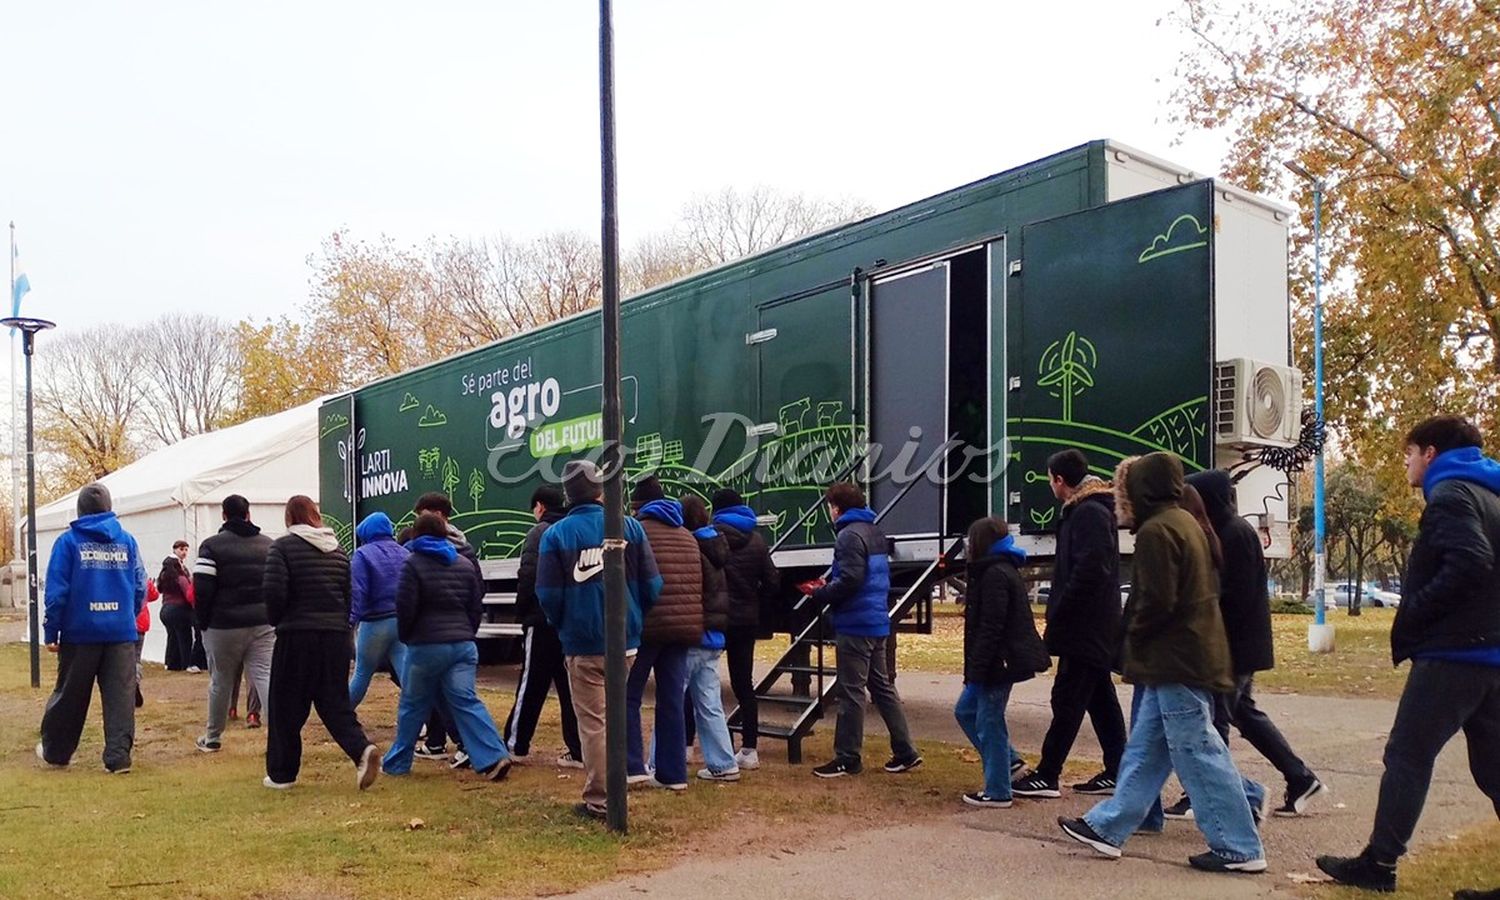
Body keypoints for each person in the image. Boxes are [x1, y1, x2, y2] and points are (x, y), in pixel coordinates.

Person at [1057, 452, 1266, 874]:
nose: (1119, 496)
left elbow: (1156, 602)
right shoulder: (1186, 521)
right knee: (1147, 751)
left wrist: (1130, 640)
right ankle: (1109, 826)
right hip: (1183, 658)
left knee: (1197, 750)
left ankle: (1239, 846)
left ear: (1138, 490)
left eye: (1123, 488)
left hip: (1176, 660)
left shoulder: (1157, 531)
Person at [1318, 415, 1500, 893]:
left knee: (1407, 754)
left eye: (1409, 452)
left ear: (1431, 453)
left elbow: (1471, 561)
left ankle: (1379, 866)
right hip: (1491, 655)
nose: (1405, 461)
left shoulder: (1451, 495)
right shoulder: (1491, 493)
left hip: (1453, 655)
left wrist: (1417, 613)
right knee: (1494, 767)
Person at [1179, 469, 1325, 820]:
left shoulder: (1234, 534)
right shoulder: (1228, 531)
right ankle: (1299, 777)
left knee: (1215, 722)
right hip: (1240, 643)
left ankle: (1214, 793)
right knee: (1244, 714)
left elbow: (1234, 595)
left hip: (1234, 645)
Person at [537, 460, 662, 820]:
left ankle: (600, 799)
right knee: (618, 714)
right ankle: (617, 790)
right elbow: (652, 585)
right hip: (626, 641)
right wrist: (634, 616)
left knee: (593, 723)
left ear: (567, 494)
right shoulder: (631, 528)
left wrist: (565, 625)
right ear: (599, 490)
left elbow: (547, 594)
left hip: (581, 645)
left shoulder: (556, 535)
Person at [1014, 449, 1126, 800]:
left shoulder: (1089, 513)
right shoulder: (1087, 510)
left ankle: (1048, 774)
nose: (1050, 485)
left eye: (1050, 480)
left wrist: (1061, 610)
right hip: (1092, 624)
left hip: (1086, 624)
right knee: (1099, 698)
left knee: (1067, 698)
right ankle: (1118, 768)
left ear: (1059, 480)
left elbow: (1091, 569)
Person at [380, 512, 512, 781]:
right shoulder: (463, 563)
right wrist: (467, 633)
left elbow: (405, 608)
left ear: (416, 534)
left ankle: (397, 763)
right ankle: (494, 756)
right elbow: (476, 606)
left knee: (413, 704)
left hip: (426, 645)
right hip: (462, 645)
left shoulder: (412, 564)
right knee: (466, 701)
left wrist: (407, 636)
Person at [261, 495, 379, 791]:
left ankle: (282, 774)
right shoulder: (338, 551)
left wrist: (279, 621)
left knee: (285, 706)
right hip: (335, 636)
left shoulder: (282, 547)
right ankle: (361, 749)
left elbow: (274, 593)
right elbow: (348, 595)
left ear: (289, 517)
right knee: (334, 702)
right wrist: (342, 627)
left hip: (297, 634)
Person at [808, 482, 921, 778]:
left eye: (829, 507)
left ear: (836, 508)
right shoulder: (874, 531)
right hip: (876, 621)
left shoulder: (848, 536)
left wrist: (821, 593)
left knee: (851, 692)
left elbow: (850, 580)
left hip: (855, 623)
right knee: (882, 688)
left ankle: (847, 757)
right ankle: (905, 751)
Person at [37, 483, 147, 774]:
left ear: (80, 509)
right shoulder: (127, 541)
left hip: (80, 634)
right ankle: (118, 757)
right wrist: (126, 616)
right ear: (110, 508)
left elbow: (56, 592)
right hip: (120, 634)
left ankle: (57, 753)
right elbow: (140, 585)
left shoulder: (68, 542)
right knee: (120, 698)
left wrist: (52, 631)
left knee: (70, 696)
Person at [954, 517, 1049, 808]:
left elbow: (991, 627)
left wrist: (977, 669)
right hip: (996, 659)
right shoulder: (996, 569)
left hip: (999, 661)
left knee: (989, 720)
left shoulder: (995, 573)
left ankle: (997, 790)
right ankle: (1008, 762)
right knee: (967, 711)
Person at [626, 475, 703, 791]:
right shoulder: (687, 535)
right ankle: (673, 775)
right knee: (671, 699)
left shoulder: (636, 533)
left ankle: (632, 767)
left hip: (646, 627)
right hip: (682, 630)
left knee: (627, 696)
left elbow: (629, 582)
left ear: (637, 507)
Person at [503, 484, 584, 768]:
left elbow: (528, 576)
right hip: (572, 621)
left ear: (539, 507)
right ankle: (578, 750)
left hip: (542, 619)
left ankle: (516, 745)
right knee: (571, 687)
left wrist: (523, 613)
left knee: (531, 685)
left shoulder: (538, 533)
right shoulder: (575, 528)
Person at [193, 494, 275, 753]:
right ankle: (280, 734)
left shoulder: (210, 547)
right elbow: (276, 585)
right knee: (264, 677)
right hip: (263, 623)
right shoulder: (269, 546)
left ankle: (213, 736)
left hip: (223, 625)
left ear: (223, 516)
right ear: (249, 514)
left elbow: (202, 590)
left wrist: (202, 623)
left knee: (220, 681)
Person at [711, 488, 779, 771]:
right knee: (744, 685)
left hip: (717, 619)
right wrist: (757, 603)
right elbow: (772, 582)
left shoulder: (712, 537)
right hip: (746, 621)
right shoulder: (756, 540)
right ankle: (750, 749)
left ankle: (714, 742)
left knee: (707, 683)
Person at [674, 494, 740, 782]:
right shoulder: (717, 547)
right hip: (714, 636)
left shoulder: (690, 549)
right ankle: (724, 763)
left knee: (672, 701)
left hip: (692, 635)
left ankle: (659, 762)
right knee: (710, 704)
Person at [408, 492, 474, 766]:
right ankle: (435, 742)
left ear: (435, 515)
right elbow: (475, 596)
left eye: (420, 514)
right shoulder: (465, 550)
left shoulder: (419, 555)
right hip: (460, 635)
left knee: (443, 696)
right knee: (447, 693)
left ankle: (465, 743)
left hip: (431, 638)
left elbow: (406, 602)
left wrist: (409, 634)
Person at [348, 511, 409, 709]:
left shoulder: (362, 555)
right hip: (401, 622)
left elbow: (358, 591)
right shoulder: (404, 552)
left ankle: (341, 715)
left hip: (374, 623)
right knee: (407, 677)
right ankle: (424, 718)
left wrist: (350, 621)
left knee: (362, 674)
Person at [157, 546, 195, 672]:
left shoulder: (163, 578)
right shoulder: (180, 578)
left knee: (172, 637)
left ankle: (171, 663)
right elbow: (188, 594)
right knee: (185, 637)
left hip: (165, 610)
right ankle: (187, 664)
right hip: (179, 610)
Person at [134, 577, 158, 708]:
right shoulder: (142, 578)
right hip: (141, 623)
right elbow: (154, 595)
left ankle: (127, 684)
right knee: (136, 658)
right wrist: (151, 584)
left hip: (126, 623)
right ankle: (135, 681)